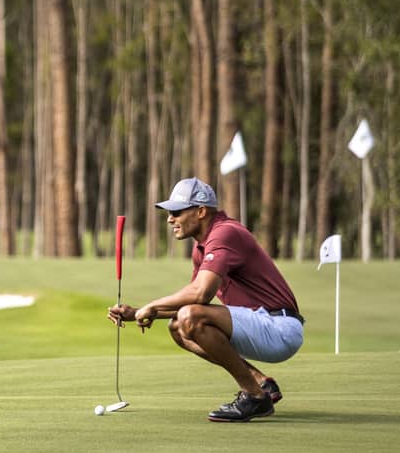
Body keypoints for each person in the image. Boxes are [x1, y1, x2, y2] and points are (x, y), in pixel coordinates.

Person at [107, 177, 304, 422]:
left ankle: (254, 397)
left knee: (190, 318)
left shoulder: (225, 233)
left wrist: (152, 306)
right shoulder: (202, 247)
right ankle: (261, 383)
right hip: (260, 324)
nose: (170, 219)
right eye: (169, 213)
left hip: (279, 328)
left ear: (200, 211)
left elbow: (201, 294)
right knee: (178, 326)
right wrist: (138, 311)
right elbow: (191, 304)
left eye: (176, 212)